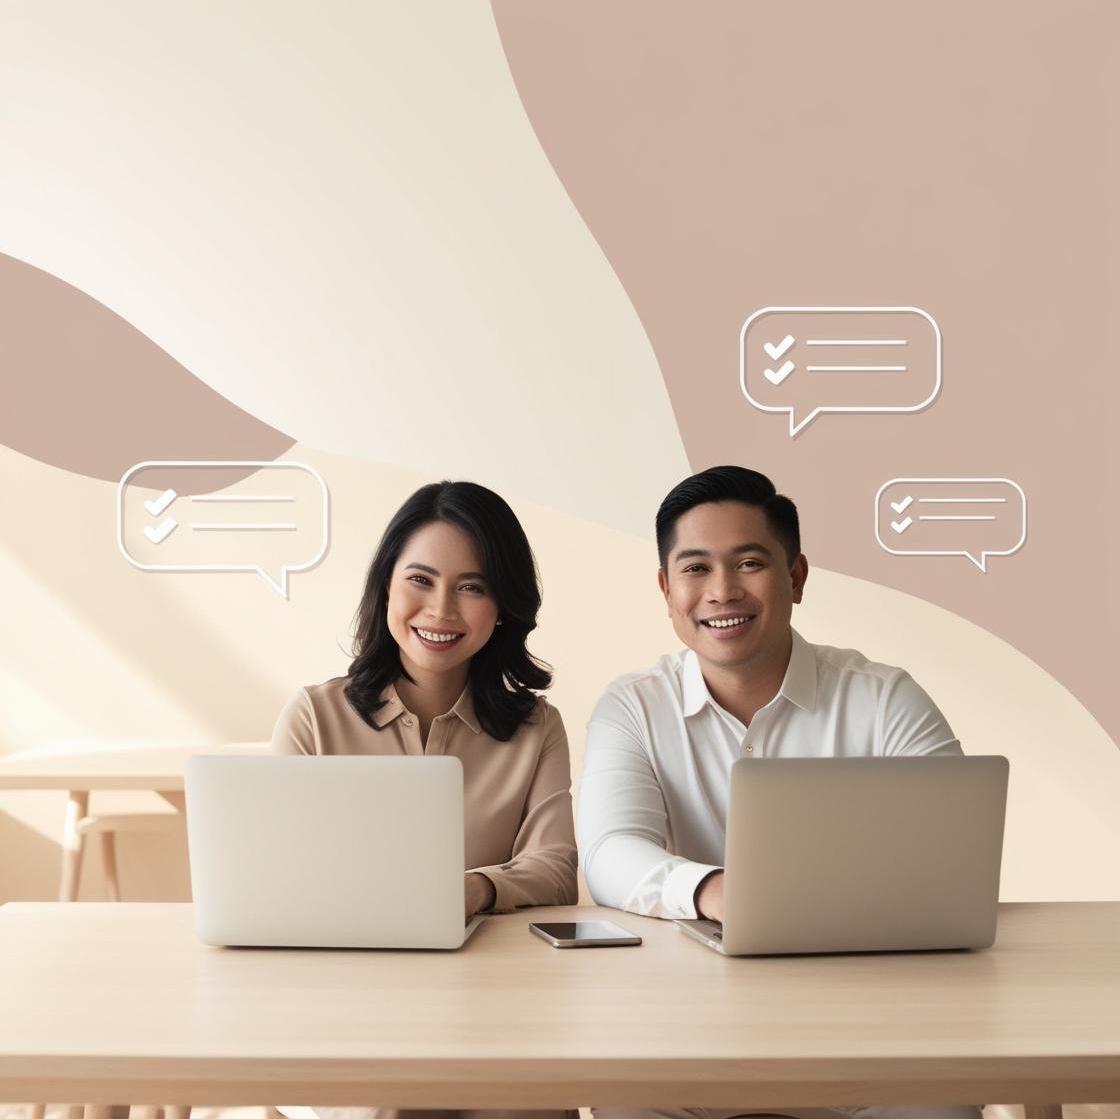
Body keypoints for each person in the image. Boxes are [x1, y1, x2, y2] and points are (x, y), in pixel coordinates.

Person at [578, 465, 979, 1119]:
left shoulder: (884, 698)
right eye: (696, 568)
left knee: (943, 1104)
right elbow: (608, 853)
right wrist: (716, 891)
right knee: (621, 1100)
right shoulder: (633, 706)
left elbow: (956, 852)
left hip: (868, 1031)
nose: (722, 591)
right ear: (667, 589)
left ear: (796, 576)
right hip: (682, 1032)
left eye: (749, 563)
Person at [274, 479, 578, 1119]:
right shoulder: (314, 717)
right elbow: (280, 883)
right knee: (394, 1107)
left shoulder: (537, 728)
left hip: (495, 1006)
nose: (441, 610)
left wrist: (476, 889)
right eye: (420, 579)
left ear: (503, 605)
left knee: (531, 1107)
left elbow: (554, 869)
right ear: (386, 586)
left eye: (473, 587)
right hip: (348, 1008)